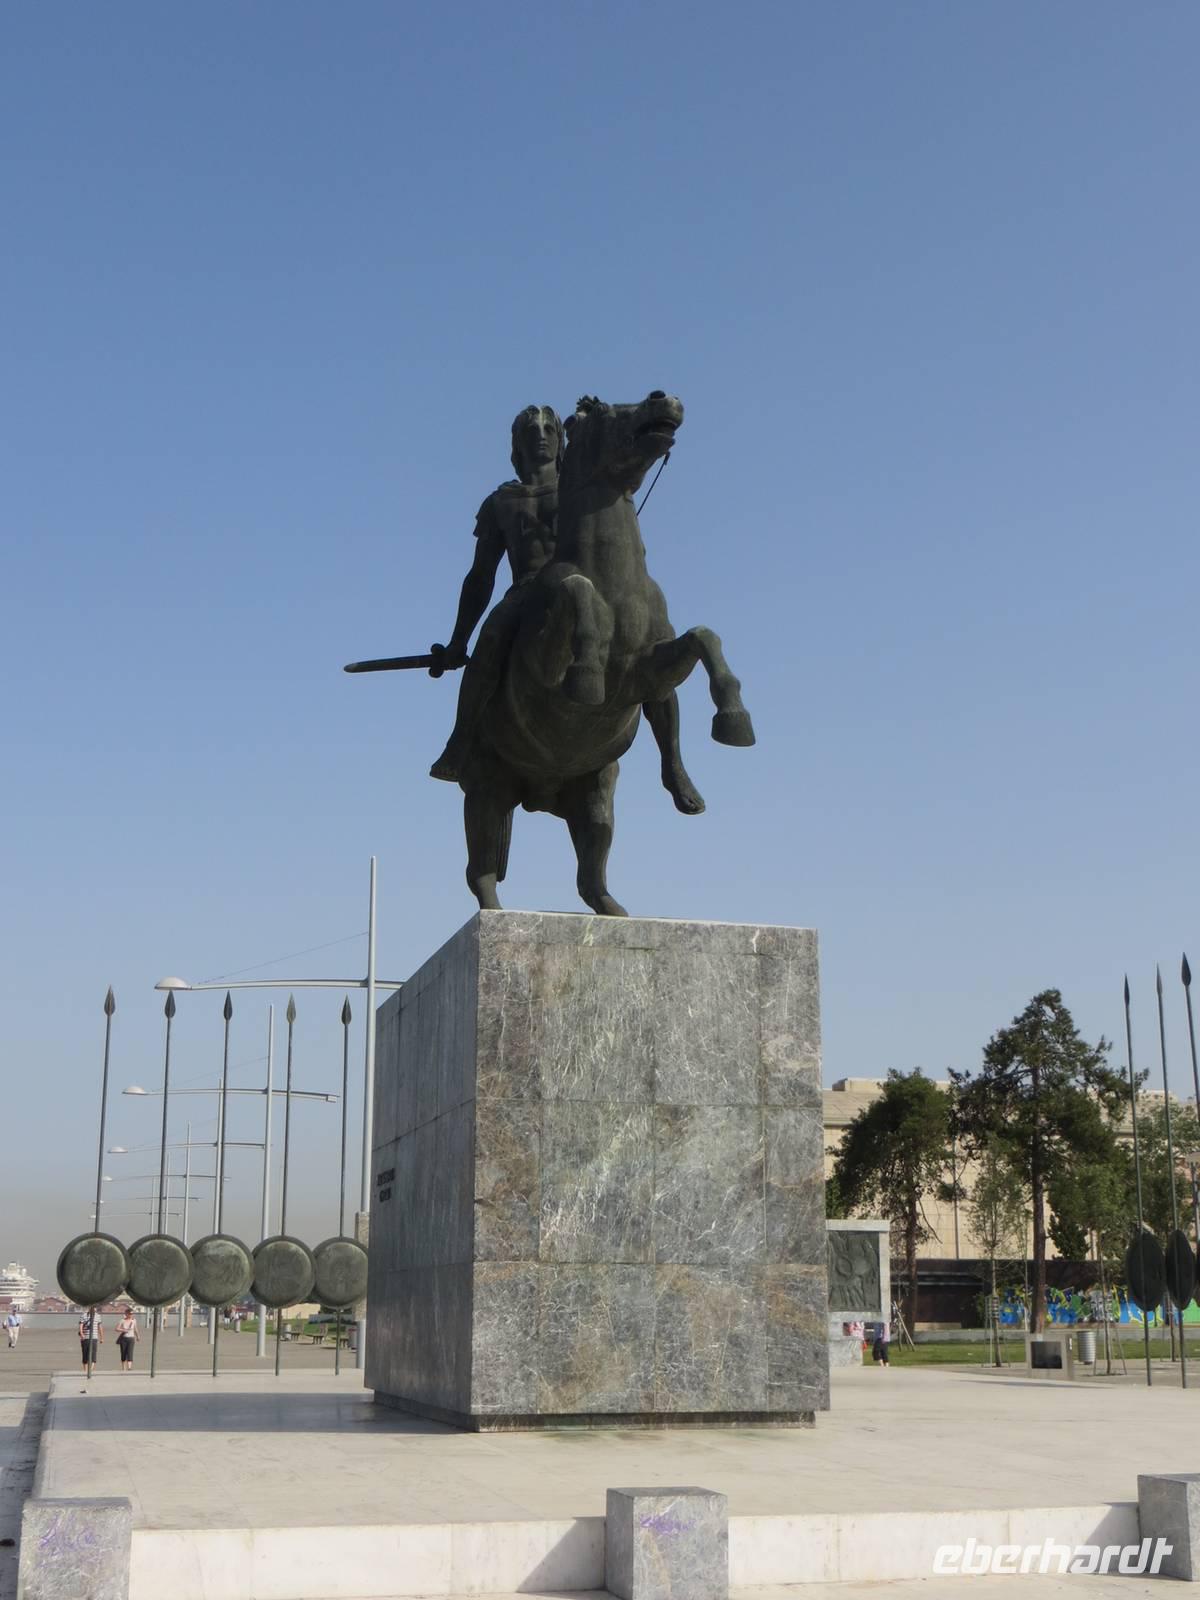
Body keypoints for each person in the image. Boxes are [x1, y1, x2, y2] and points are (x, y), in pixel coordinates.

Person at [430, 404, 704, 814]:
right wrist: (457, 642)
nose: (541, 435)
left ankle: (673, 762)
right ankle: (461, 738)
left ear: (561, 441)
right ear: (517, 444)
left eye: (548, 429)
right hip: (529, 592)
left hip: (592, 581)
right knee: (494, 635)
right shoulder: (501, 502)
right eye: (531, 430)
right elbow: (480, 576)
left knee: (646, 646)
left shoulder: (580, 484)